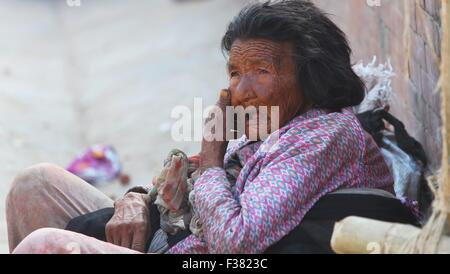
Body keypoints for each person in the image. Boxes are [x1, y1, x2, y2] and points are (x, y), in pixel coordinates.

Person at [6, 0, 413, 254]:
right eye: (235, 72)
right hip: (174, 240)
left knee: (46, 246)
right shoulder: (270, 130)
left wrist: (215, 153)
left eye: (261, 70)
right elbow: (188, 196)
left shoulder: (323, 137)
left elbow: (237, 242)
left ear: (311, 77)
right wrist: (135, 199)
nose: (242, 89)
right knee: (35, 184)